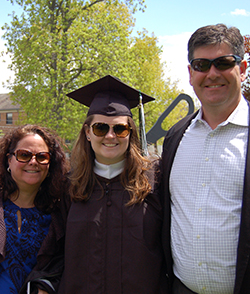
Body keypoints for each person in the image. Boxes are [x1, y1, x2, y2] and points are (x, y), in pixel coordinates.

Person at [55, 75, 168, 293]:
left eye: (120, 129)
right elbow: (55, 249)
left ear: (131, 133)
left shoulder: (155, 182)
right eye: (100, 128)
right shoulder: (70, 186)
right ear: (87, 133)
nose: (110, 136)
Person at [160, 23, 249, 294]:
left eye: (223, 63)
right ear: (190, 73)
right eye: (201, 64)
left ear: (242, 69)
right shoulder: (176, 137)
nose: (212, 74)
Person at [0, 124, 69, 294]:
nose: (33, 162)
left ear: (50, 164)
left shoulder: (60, 217)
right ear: (9, 160)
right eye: (24, 155)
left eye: (41, 156)